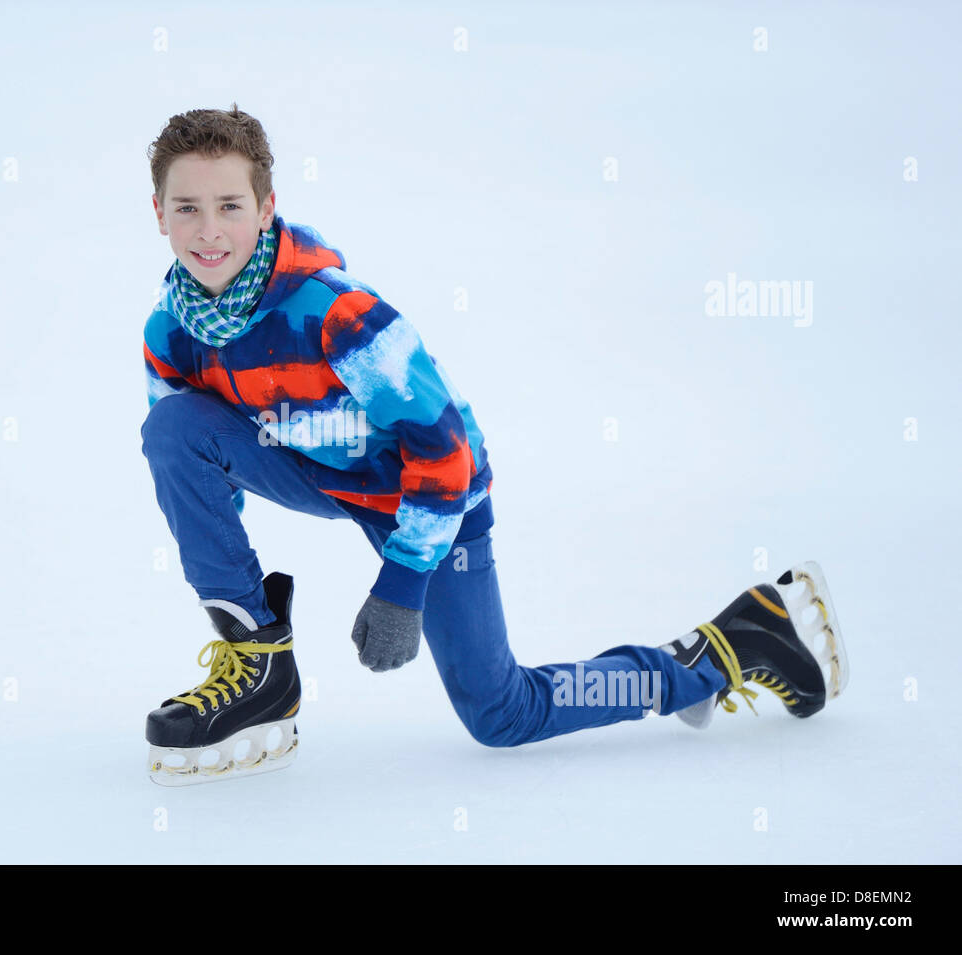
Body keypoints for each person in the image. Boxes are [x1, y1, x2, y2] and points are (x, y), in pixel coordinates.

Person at [138, 104, 849, 786]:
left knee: (501, 711)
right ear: (159, 214)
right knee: (172, 427)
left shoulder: (338, 316)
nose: (209, 229)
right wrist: (233, 582)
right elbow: (195, 459)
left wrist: (401, 583)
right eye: (188, 207)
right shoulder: (170, 328)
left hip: (430, 493)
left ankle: (728, 646)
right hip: (317, 468)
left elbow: (449, 452)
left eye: (230, 205)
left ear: (265, 209)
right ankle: (258, 660)